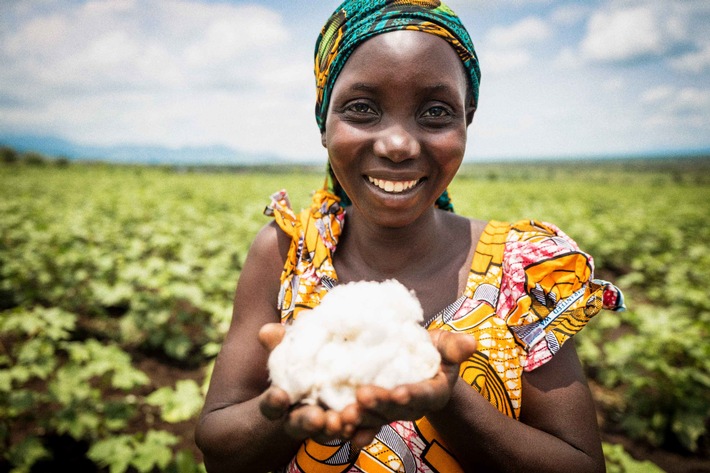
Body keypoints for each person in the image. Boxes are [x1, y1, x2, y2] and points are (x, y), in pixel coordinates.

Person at [195, 1, 626, 472]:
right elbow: (218, 446)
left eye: (436, 112)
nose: (398, 144)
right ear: (324, 121)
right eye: (362, 108)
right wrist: (297, 392)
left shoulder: (524, 269)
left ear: (467, 120)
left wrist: (447, 397)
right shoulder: (285, 250)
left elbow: (582, 465)